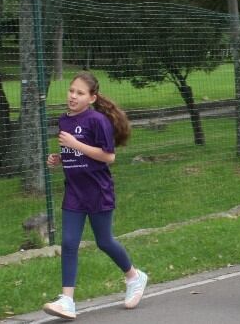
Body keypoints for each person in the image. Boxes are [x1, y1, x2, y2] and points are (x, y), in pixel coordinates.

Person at [42, 72, 148, 320]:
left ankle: (134, 276)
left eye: (79, 93)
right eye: (71, 91)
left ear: (92, 98)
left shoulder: (98, 120)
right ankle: (67, 300)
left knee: (104, 241)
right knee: (69, 243)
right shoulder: (64, 121)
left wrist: (75, 145)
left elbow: (108, 156)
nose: (73, 96)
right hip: (74, 192)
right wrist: (58, 158)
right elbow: (73, 153)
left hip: (98, 191)